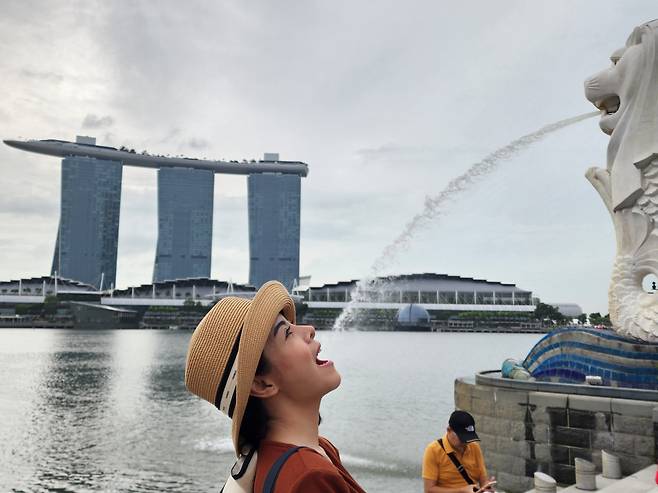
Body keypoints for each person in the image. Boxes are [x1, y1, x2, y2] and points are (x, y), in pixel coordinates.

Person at [185, 280, 366, 493]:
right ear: (262, 384)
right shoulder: (308, 476)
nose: (309, 330)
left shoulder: (318, 450)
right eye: (287, 333)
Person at [422, 410, 494, 493]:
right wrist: (462, 490)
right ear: (449, 430)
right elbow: (429, 490)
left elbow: (483, 479)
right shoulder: (433, 450)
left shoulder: (474, 447)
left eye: (469, 438)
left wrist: (486, 487)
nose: (465, 442)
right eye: (462, 438)